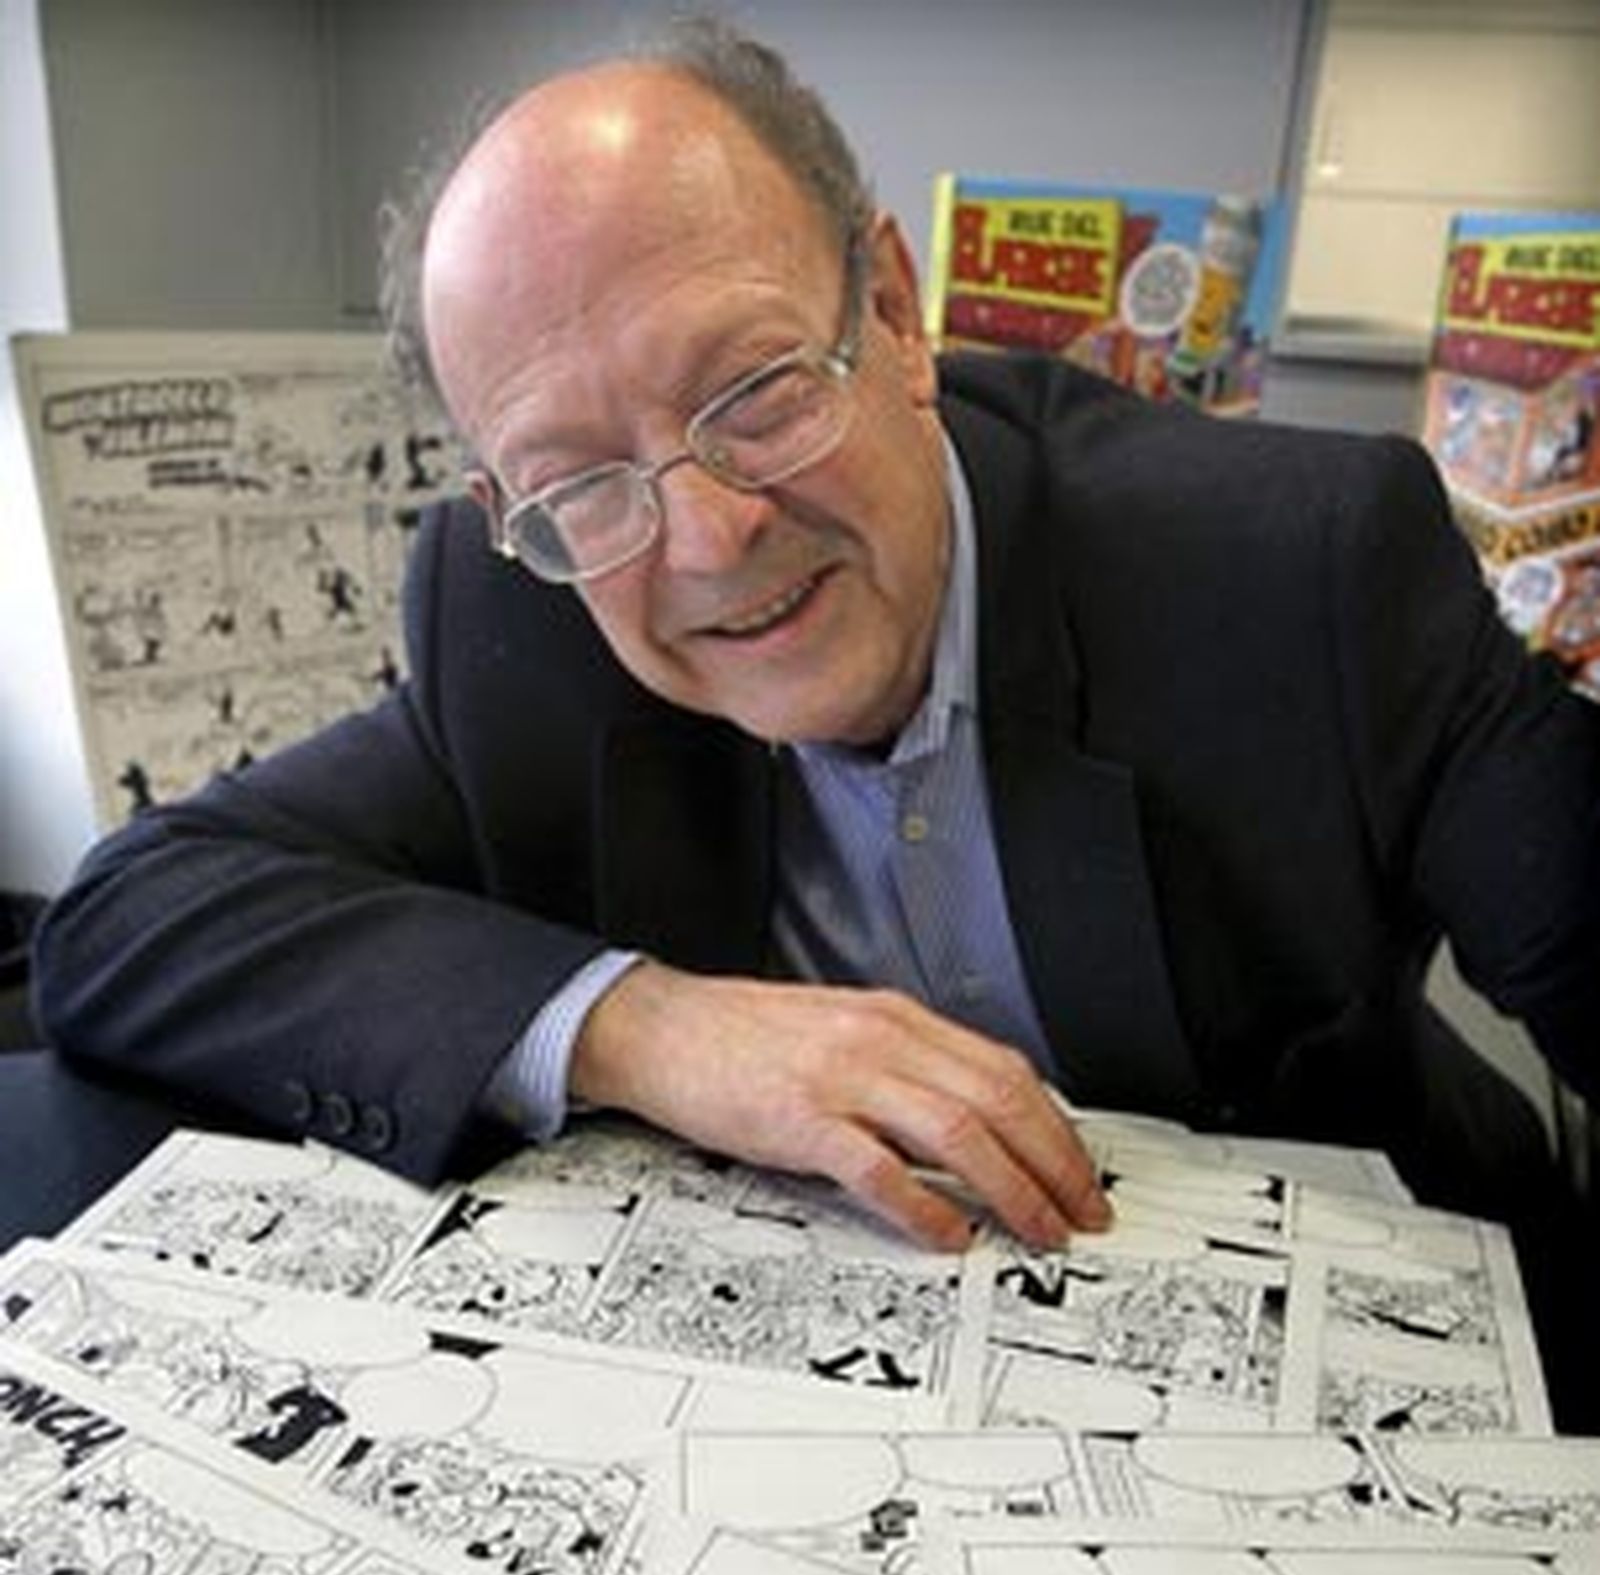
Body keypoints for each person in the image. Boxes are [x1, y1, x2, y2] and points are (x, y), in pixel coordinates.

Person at [31, 24, 1600, 1297]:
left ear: (896, 315)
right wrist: (648, 1024)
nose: (709, 537)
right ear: (509, 510)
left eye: (757, 391)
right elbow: (128, 915)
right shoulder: (517, 614)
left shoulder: (1298, 566)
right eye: (578, 480)